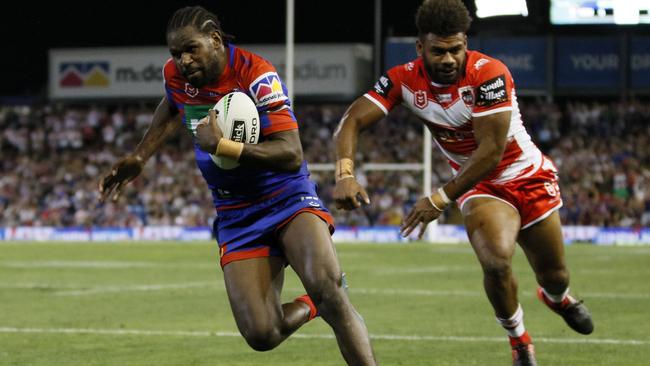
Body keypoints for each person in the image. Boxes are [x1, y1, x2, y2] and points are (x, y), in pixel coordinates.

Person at [98, 6, 376, 365]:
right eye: (175, 54)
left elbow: (291, 153)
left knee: (329, 292)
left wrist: (223, 146)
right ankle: (315, 304)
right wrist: (141, 155)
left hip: (287, 198)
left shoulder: (256, 74)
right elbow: (171, 104)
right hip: (235, 213)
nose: (182, 60)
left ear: (215, 40)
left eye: (191, 49)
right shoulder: (176, 76)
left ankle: (328, 297)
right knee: (262, 334)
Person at [333, 0, 593, 365]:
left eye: (456, 49)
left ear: (465, 44)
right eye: (438, 50)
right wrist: (344, 173)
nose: (449, 59)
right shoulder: (401, 80)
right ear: (420, 47)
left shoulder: (489, 74)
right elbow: (352, 120)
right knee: (496, 262)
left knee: (554, 274)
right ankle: (519, 341)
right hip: (480, 186)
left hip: (526, 175)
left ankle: (557, 298)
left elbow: (490, 151)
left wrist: (438, 199)